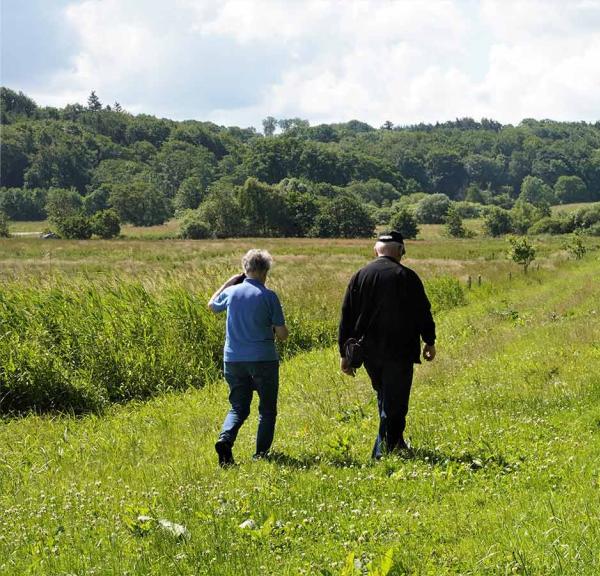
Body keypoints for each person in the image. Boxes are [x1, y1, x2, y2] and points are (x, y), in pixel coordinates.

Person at [338, 231, 436, 459]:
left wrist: (344, 353)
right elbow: (423, 312)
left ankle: (396, 442)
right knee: (395, 403)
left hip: (369, 352)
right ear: (401, 251)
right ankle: (381, 454)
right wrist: (429, 341)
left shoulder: (359, 276)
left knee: (385, 397)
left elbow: (347, 317)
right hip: (399, 350)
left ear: (376, 251)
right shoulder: (407, 276)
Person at [208, 249, 288, 466]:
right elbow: (282, 335)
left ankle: (225, 439)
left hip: (233, 360)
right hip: (263, 359)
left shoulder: (231, 293)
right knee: (267, 409)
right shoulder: (269, 296)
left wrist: (228, 283)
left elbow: (212, 305)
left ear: (245, 270)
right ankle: (260, 454)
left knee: (238, 407)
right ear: (265, 271)